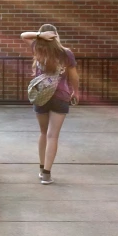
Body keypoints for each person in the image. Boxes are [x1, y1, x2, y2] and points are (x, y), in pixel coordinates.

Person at [20, 24, 80, 185]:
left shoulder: (38, 49)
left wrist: (39, 35)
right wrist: (76, 92)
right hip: (61, 97)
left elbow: (23, 35)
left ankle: (41, 169)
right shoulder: (66, 53)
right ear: (56, 35)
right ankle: (46, 174)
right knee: (53, 135)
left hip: (41, 96)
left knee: (43, 133)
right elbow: (74, 76)